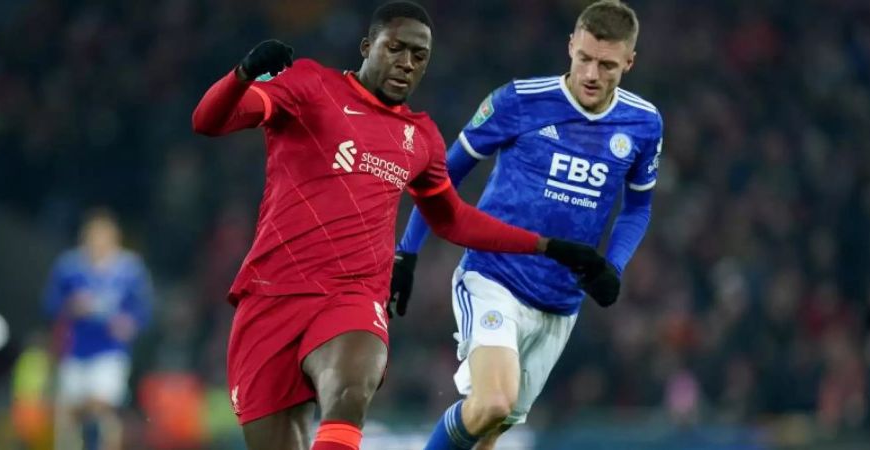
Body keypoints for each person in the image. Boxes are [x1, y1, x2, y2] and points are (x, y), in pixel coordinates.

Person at [191, 2, 614, 450]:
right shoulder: (312, 85)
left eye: (419, 56)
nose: (407, 64)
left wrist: (549, 246)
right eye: (396, 49)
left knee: (352, 387)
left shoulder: (421, 136)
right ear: (367, 46)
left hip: (353, 294)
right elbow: (208, 122)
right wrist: (242, 75)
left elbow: (452, 218)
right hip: (272, 295)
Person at [390, 1, 663, 448]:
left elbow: (638, 207)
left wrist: (613, 265)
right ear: (570, 46)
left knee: (492, 427)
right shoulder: (518, 100)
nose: (592, 74)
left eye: (608, 65)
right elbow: (441, 179)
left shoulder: (643, 123)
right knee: (495, 401)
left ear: (629, 62)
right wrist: (407, 251)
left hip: (560, 302)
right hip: (494, 276)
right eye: (585, 59)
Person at [43, 208, 153, 450]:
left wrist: (129, 324)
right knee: (69, 413)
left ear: (115, 238)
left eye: (104, 236)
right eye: (94, 236)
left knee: (102, 407)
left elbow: (144, 311)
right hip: (75, 349)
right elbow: (50, 304)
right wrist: (71, 306)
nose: (98, 242)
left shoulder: (130, 269)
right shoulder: (69, 266)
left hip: (110, 351)